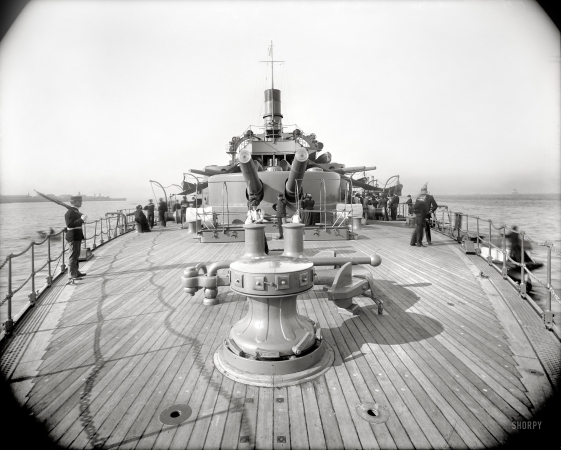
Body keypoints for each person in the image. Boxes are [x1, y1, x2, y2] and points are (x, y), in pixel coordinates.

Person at [65, 195, 87, 282]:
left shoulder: (75, 211)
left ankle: (76, 271)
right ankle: (72, 275)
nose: (81, 202)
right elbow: (69, 225)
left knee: (76, 255)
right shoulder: (70, 212)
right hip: (73, 236)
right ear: (74, 202)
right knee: (73, 256)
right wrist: (81, 220)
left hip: (77, 235)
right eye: (79, 201)